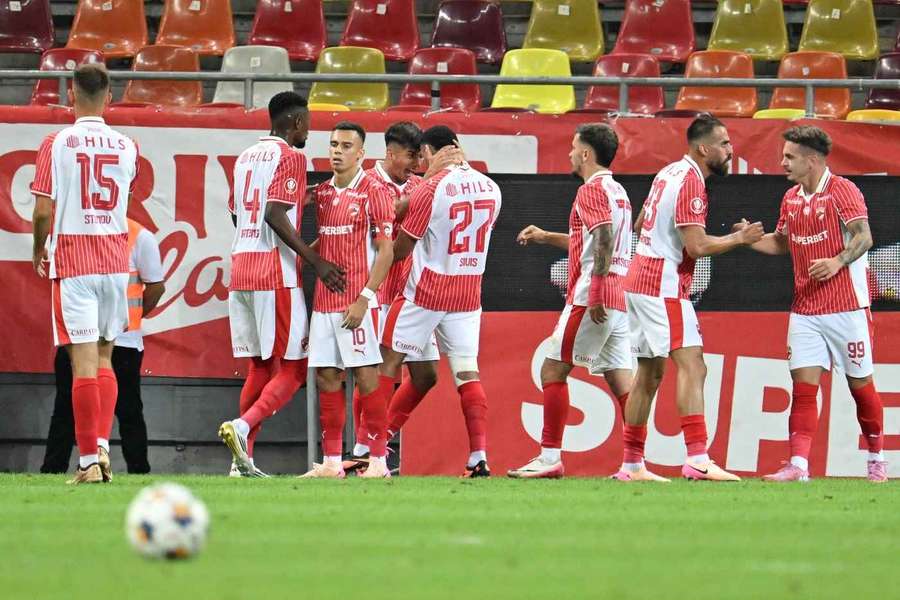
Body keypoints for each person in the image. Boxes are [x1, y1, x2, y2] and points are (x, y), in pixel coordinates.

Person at [620, 114, 763, 482]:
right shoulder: (691, 182)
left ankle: (632, 465)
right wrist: (740, 238)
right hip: (662, 284)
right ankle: (698, 458)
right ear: (703, 148)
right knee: (694, 365)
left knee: (649, 373)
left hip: (640, 278)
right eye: (724, 144)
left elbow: (640, 224)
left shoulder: (668, 172)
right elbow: (697, 246)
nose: (730, 150)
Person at [507, 124, 649, 479]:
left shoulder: (590, 190)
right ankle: (635, 464)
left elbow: (603, 237)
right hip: (620, 295)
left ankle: (549, 458)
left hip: (593, 294)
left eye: (573, 148)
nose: (570, 154)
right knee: (623, 383)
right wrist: (545, 236)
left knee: (552, 370)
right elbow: (591, 240)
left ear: (586, 154)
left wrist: (596, 290)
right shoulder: (618, 191)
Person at [218, 92, 345, 478]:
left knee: (259, 366)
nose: (308, 133)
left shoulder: (245, 157)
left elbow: (239, 214)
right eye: (308, 125)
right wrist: (315, 261)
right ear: (296, 123)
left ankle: (241, 462)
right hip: (274, 273)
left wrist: (298, 201)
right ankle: (242, 427)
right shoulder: (291, 156)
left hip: (241, 266)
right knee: (294, 368)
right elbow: (274, 214)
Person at [749, 126, 886, 483]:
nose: (783, 163)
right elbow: (782, 243)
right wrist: (745, 240)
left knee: (861, 386)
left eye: (789, 157)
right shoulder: (791, 198)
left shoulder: (843, 190)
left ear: (811, 160)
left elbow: (864, 237)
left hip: (847, 308)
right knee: (803, 388)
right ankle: (798, 465)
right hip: (806, 310)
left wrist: (838, 261)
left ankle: (876, 460)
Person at [30, 64, 140, 484]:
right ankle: (103, 448)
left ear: (71, 95)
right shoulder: (128, 146)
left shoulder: (55, 143)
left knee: (82, 363)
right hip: (115, 260)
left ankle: (88, 462)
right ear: (109, 98)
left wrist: (39, 248)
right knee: (107, 356)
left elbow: (43, 211)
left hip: (74, 258)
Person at [380, 125, 502, 478]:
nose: (419, 163)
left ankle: (367, 451)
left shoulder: (431, 188)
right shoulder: (491, 187)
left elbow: (402, 248)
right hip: (468, 293)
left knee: (386, 361)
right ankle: (478, 456)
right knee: (466, 372)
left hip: (426, 291)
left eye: (422, 156)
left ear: (429, 152)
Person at [344, 121, 463, 473]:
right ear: (390, 152)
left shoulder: (418, 184)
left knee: (426, 375)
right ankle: (364, 449)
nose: (416, 163)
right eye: (410, 156)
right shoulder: (366, 182)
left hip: (411, 293)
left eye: (419, 156)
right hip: (375, 290)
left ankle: (377, 441)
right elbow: (388, 219)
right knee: (372, 371)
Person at [302, 121, 395, 479]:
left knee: (367, 377)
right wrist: (300, 258)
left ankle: (378, 461)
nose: (337, 151)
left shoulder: (374, 191)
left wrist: (364, 299)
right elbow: (325, 243)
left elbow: (386, 251)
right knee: (327, 377)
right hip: (324, 302)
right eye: (333, 145)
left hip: (357, 301)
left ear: (361, 153)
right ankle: (330, 463)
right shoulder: (323, 193)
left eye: (345, 146)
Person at [40, 218, 165, 474]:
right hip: (88, 335)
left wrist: (127, 319)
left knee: (128, 410)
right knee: (66, 407)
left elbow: (156, 287)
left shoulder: (140, 237)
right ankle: (58, 467)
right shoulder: (74, 228)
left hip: (118, 340)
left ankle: (132, 469)